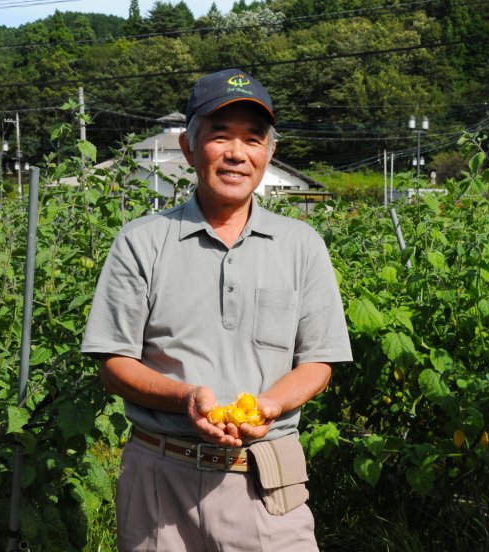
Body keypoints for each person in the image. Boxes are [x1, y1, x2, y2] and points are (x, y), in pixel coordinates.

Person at [81, 68, 352, 551]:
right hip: (160, 481)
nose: (236, 153)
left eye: (252, 139)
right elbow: (114, 362)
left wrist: (272, 404)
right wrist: (185, 397)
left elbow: (319, 361)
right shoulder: (142, 242)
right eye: (219, 136)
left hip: (268, 481)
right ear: (189, 149)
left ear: (268, 153)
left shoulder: (301, 245)